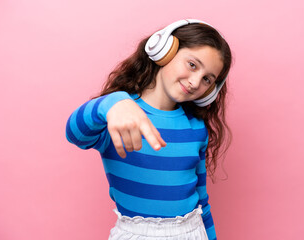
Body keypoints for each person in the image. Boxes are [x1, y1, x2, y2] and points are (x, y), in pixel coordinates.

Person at [66, 19, 232, 240]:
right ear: (164, 50)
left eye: (207, 79)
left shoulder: (196, 128)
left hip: (191, 232)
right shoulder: (117, 115)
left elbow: (202, 201)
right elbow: (74, 134)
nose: (195, 82)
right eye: (192, 64)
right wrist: (112, 103)